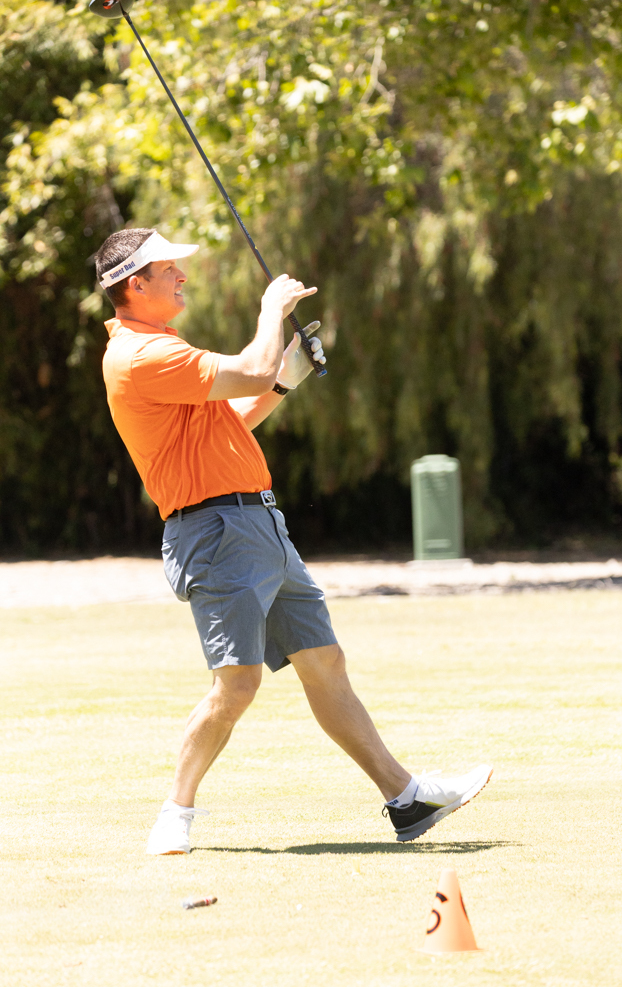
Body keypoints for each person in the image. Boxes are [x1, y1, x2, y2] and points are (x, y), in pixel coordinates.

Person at [94, 227, 493, 854]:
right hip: (216, 532)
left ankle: (406, 799)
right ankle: (175, 814)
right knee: (238, 684)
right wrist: (271, 310)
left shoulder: (164, 347)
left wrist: (285, 379)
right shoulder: (140, 355)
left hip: (257, 524)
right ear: (135, 285)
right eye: (169, 269)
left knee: (324, 662)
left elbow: (233, 419)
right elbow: (249, 367)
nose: (183, 276)